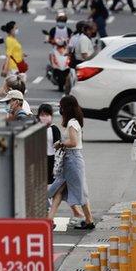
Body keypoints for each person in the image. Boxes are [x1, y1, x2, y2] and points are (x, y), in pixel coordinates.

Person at [48, 95, 94, 230]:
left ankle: (89, 219)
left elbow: (73, 142)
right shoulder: (74, 122)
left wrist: (60, 144)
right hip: (70, 160)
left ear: (66, 108)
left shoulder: (72, 123)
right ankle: (49, 220)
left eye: (61, 107)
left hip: (72, 160)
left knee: (80, 191)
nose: (60, 109)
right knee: (59, 190)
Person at [37, 103, 61, 184]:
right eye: (42, 115)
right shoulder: (35, 128)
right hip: (38, 159)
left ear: (51, 116)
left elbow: (58, 146)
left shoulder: (54, 129)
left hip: (51, 159)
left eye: (47, 115)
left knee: (50, 183)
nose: (44, 117)